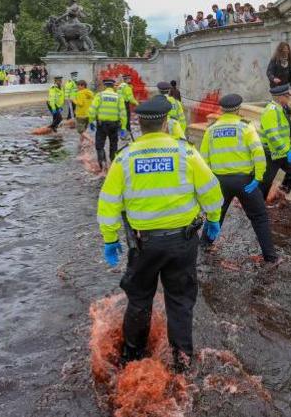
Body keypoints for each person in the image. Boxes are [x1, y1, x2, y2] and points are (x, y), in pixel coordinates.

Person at [96, 97, 223, 372]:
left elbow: (108, 203)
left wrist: (109, 238)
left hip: (144, 245)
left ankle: (132, 359)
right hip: (183, 242)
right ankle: (182, 360)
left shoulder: (125, 157)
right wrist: (213, 219)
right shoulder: (186, 153)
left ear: (139, 125)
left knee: (140, 299)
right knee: (179, 299)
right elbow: (211, 191)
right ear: (166, 122)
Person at [199, 93, 278, 262]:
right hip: (245, 181)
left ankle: (205, 246)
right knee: (259, 217)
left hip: (219, 181)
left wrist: (209, 184)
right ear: (238, 109)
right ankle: (271, 258)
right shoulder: (246, 127)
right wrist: (258, 178)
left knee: (215, 215)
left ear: (221, 110)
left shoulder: (211, 130)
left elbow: (203, 160)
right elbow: (258, 153)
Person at [259, 84, 291, 202]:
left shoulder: (282, 108)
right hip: (271, 153)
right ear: (279, 97)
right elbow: (273, 136)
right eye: (287, 96)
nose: (289, 98)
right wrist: (286, 151)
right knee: (265, 182)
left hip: (282, 152)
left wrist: (287, 150)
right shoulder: (271, 111)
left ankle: (280, 193)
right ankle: (258, 206)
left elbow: (286, 130)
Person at [89, 78, 129, 170]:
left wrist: (91, 121)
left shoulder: (100, 95)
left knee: (99, 146)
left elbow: (92, 110)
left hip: (101, 125)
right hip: (114, 125)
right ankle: (113, 166)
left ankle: (102, 166)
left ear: (104, 86)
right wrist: (123, 127)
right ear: (113, 86)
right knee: (113, 145)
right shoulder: (118, 97)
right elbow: (123, 114)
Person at [74, 80, 95, 146]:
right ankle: (81, 143)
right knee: (84, 131)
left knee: (80, 131)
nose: (77, 87)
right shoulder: (90, 92)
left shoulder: (80, 93)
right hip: (88, 114)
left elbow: (80, 104)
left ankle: (91, 140)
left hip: (81, 115)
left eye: (78, 85)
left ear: (83, 86)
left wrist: (73, 100)